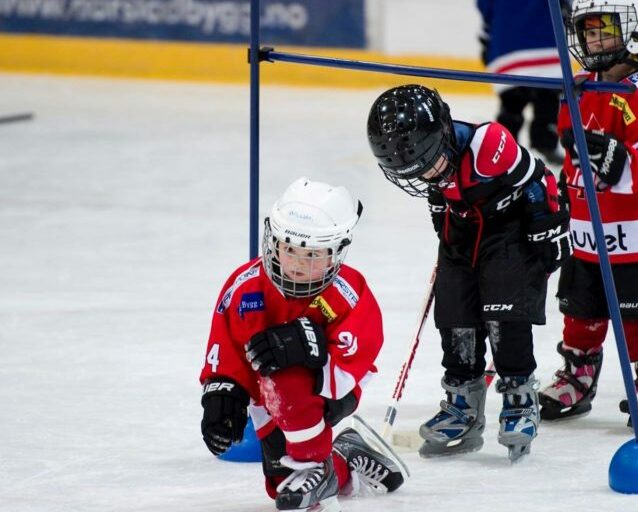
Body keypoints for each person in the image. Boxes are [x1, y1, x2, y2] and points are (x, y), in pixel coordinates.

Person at [367, 84, 570, 461]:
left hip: (508, 232)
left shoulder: (488, 146)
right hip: (464, 233)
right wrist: (442, 222)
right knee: (454, 312)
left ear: (443, 136)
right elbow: (440, 193)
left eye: (429, 166)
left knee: (503, 314)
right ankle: (462, 403)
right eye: (416, 172)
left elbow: (538, 180)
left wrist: (550, 227)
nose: (426, 175)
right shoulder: (434, 160)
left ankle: (519, 398)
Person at [199, 177, 404, 511]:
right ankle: (343, 458)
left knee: (285, 379)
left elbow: (358, 351)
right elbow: (227, 346)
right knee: (282, 486)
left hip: (332, 391)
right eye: (289, 248)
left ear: (336, 251)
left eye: (311, 254)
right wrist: (224, 393)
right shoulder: (245, 286)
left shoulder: (347, 290)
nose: (296, 263)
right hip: (269, 396)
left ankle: (313, 464)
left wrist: (309, 346)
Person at [538, 0, 638, 427]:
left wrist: (618, 159)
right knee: (581, 307)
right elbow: (572, 157)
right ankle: (578, 374)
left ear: (637, 30)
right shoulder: (578, 86)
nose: (593, 39)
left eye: (604, 30)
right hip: (588, 226)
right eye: (587, 30)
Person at [477, 0, 572, 165]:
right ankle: (545, 142)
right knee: (547, 103)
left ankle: (503, 146)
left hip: (507, 51)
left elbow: (486, 13)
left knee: (511, 106)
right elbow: (566, 10)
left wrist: (486, 44)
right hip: (545, 47)